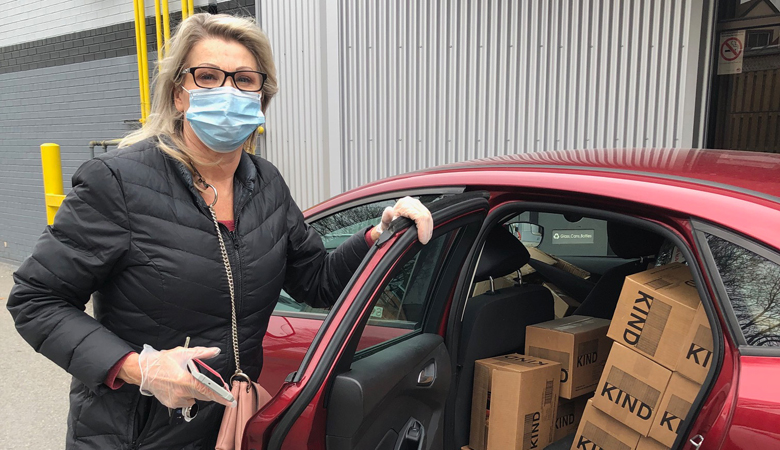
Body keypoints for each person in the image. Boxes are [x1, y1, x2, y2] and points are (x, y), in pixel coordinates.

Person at [7, 13, 432, 450]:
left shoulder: (265, 183)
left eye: (244, 79)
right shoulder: (116, 182)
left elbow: (316, 282)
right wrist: (140, 367)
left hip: (228, 422)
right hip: (134, 435)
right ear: (179, 94)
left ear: (261, 97)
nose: (227, 91)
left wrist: (375, 236)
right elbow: (36, 300)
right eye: (207, 76)